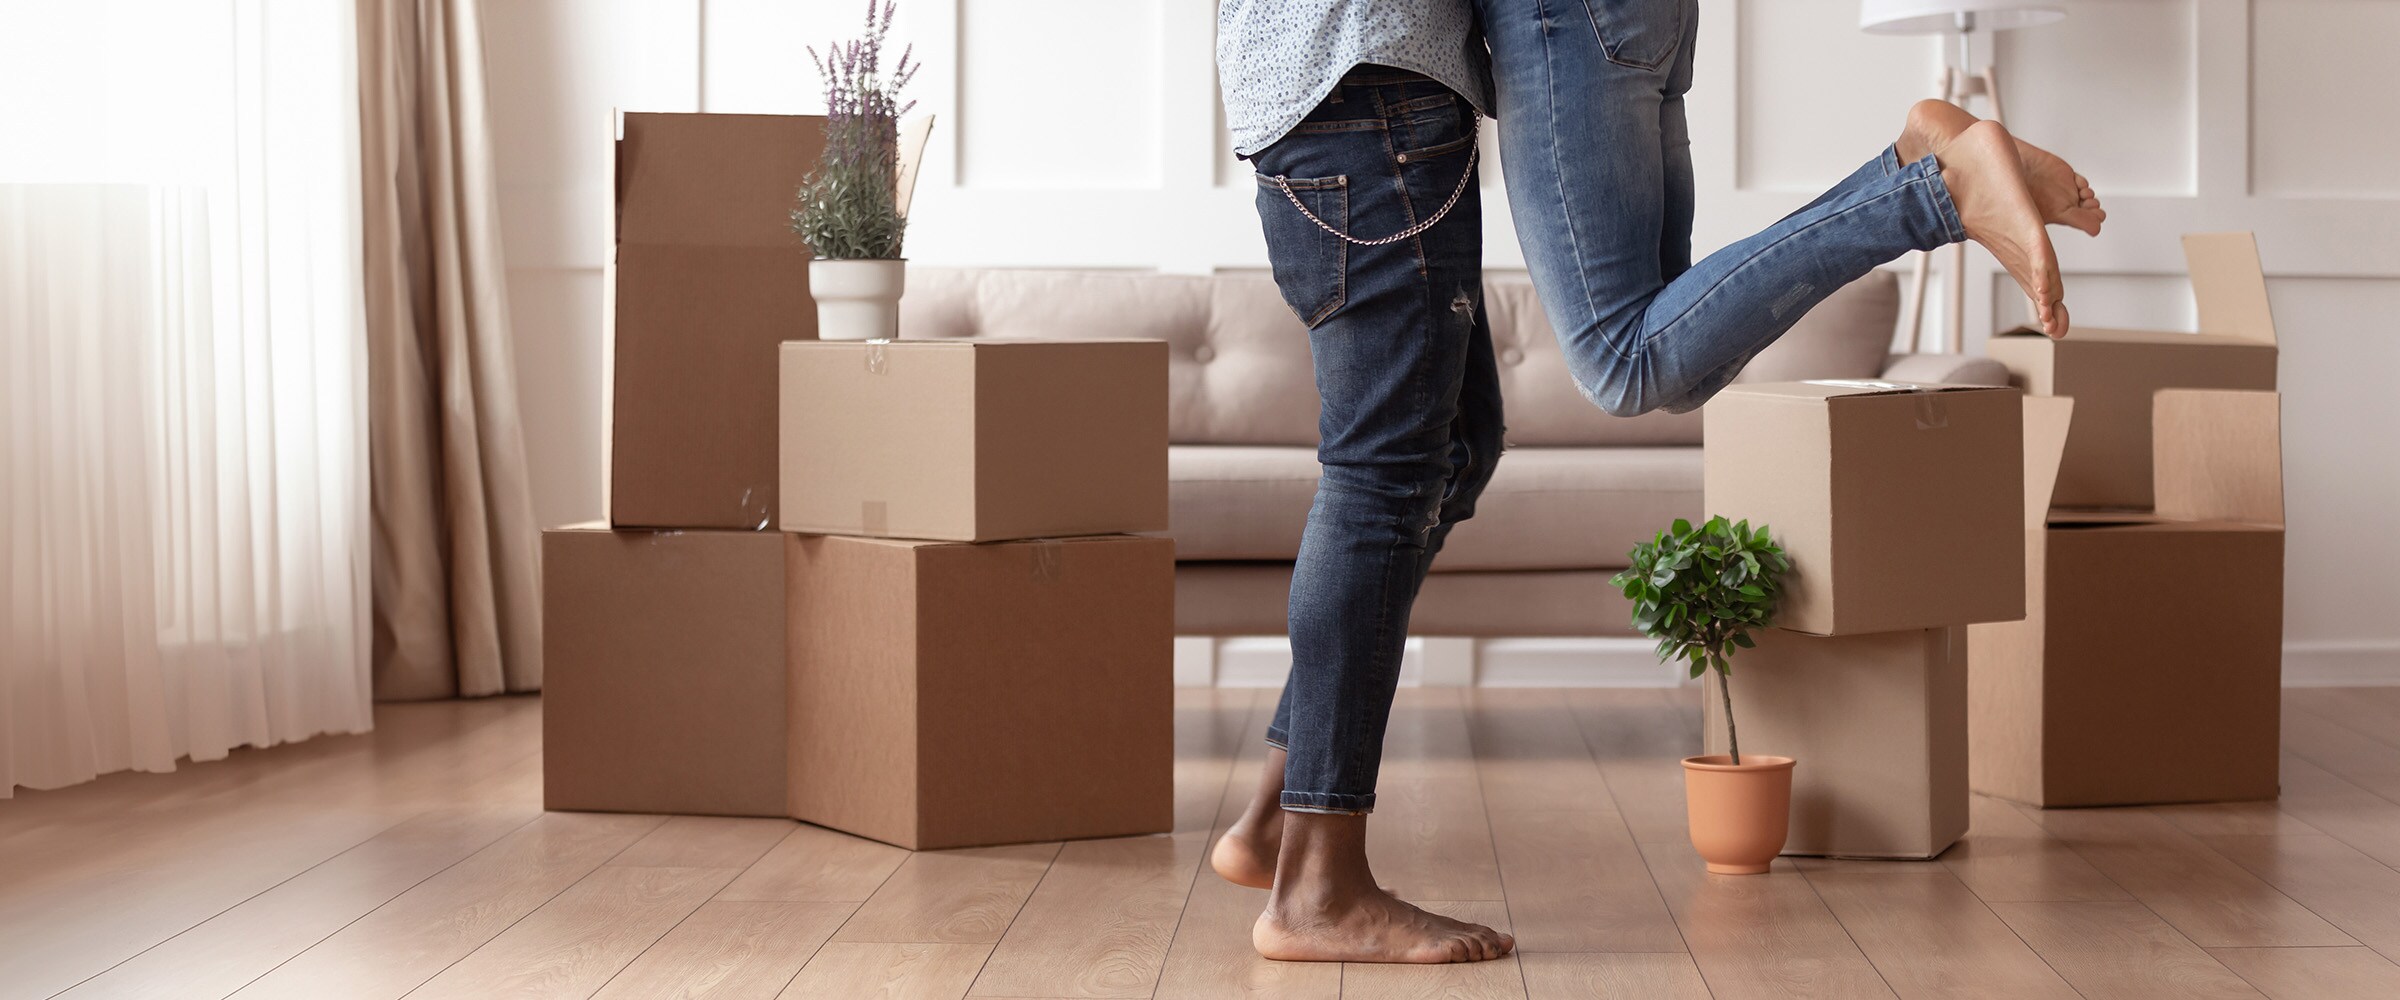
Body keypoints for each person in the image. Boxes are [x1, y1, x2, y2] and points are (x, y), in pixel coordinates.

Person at [1213, 0, 2100, 965]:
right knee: (1461, 444)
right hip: (1390, 72)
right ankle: (1284, 820)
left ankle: (1315, 880)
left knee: (1435, 450)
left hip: (1357, 69)